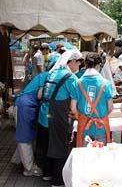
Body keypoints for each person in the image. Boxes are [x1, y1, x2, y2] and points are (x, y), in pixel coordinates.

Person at [38, 49, 81, 186]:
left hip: (45, 114)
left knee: (46, 143)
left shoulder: (52, 72)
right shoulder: (71, 77)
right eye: (78, 64)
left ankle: (47, 173)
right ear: (72, 61)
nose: (78, 67)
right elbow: (74, 105)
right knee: (58, 145)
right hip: (57, 115)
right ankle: (57, 180)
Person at [70, 52, 113, 147]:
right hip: (101, 126)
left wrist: (81, 117)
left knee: (84, 157)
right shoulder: (106, 83)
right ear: (98, 65)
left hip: (84, 126)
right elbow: (110, 108)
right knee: (100, 157)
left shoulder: (77, 83)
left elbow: (73, 108)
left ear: (85, 64)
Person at [15, 72, 48, 177]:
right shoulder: (48, 76)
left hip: (26, 104)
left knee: (27, 136)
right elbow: (40, 94)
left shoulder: (44, 74)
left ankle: (19, 160)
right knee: (25, 137)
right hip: (25, 106)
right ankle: (29, 169)